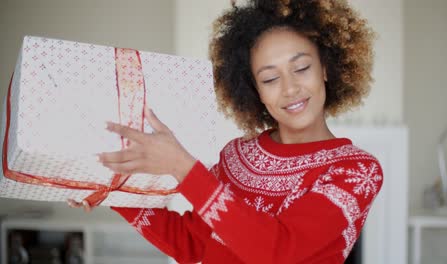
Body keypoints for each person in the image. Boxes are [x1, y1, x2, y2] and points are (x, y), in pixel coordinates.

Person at [69, 0, 383, 263]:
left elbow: (280, 251)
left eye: (301, 68)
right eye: (270, 79)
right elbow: (190, 244)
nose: (290, 89)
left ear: (326, 68)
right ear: (255, 90)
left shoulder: (356, 170)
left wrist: (182, 167)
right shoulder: (236, 156)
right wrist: (112, 190)